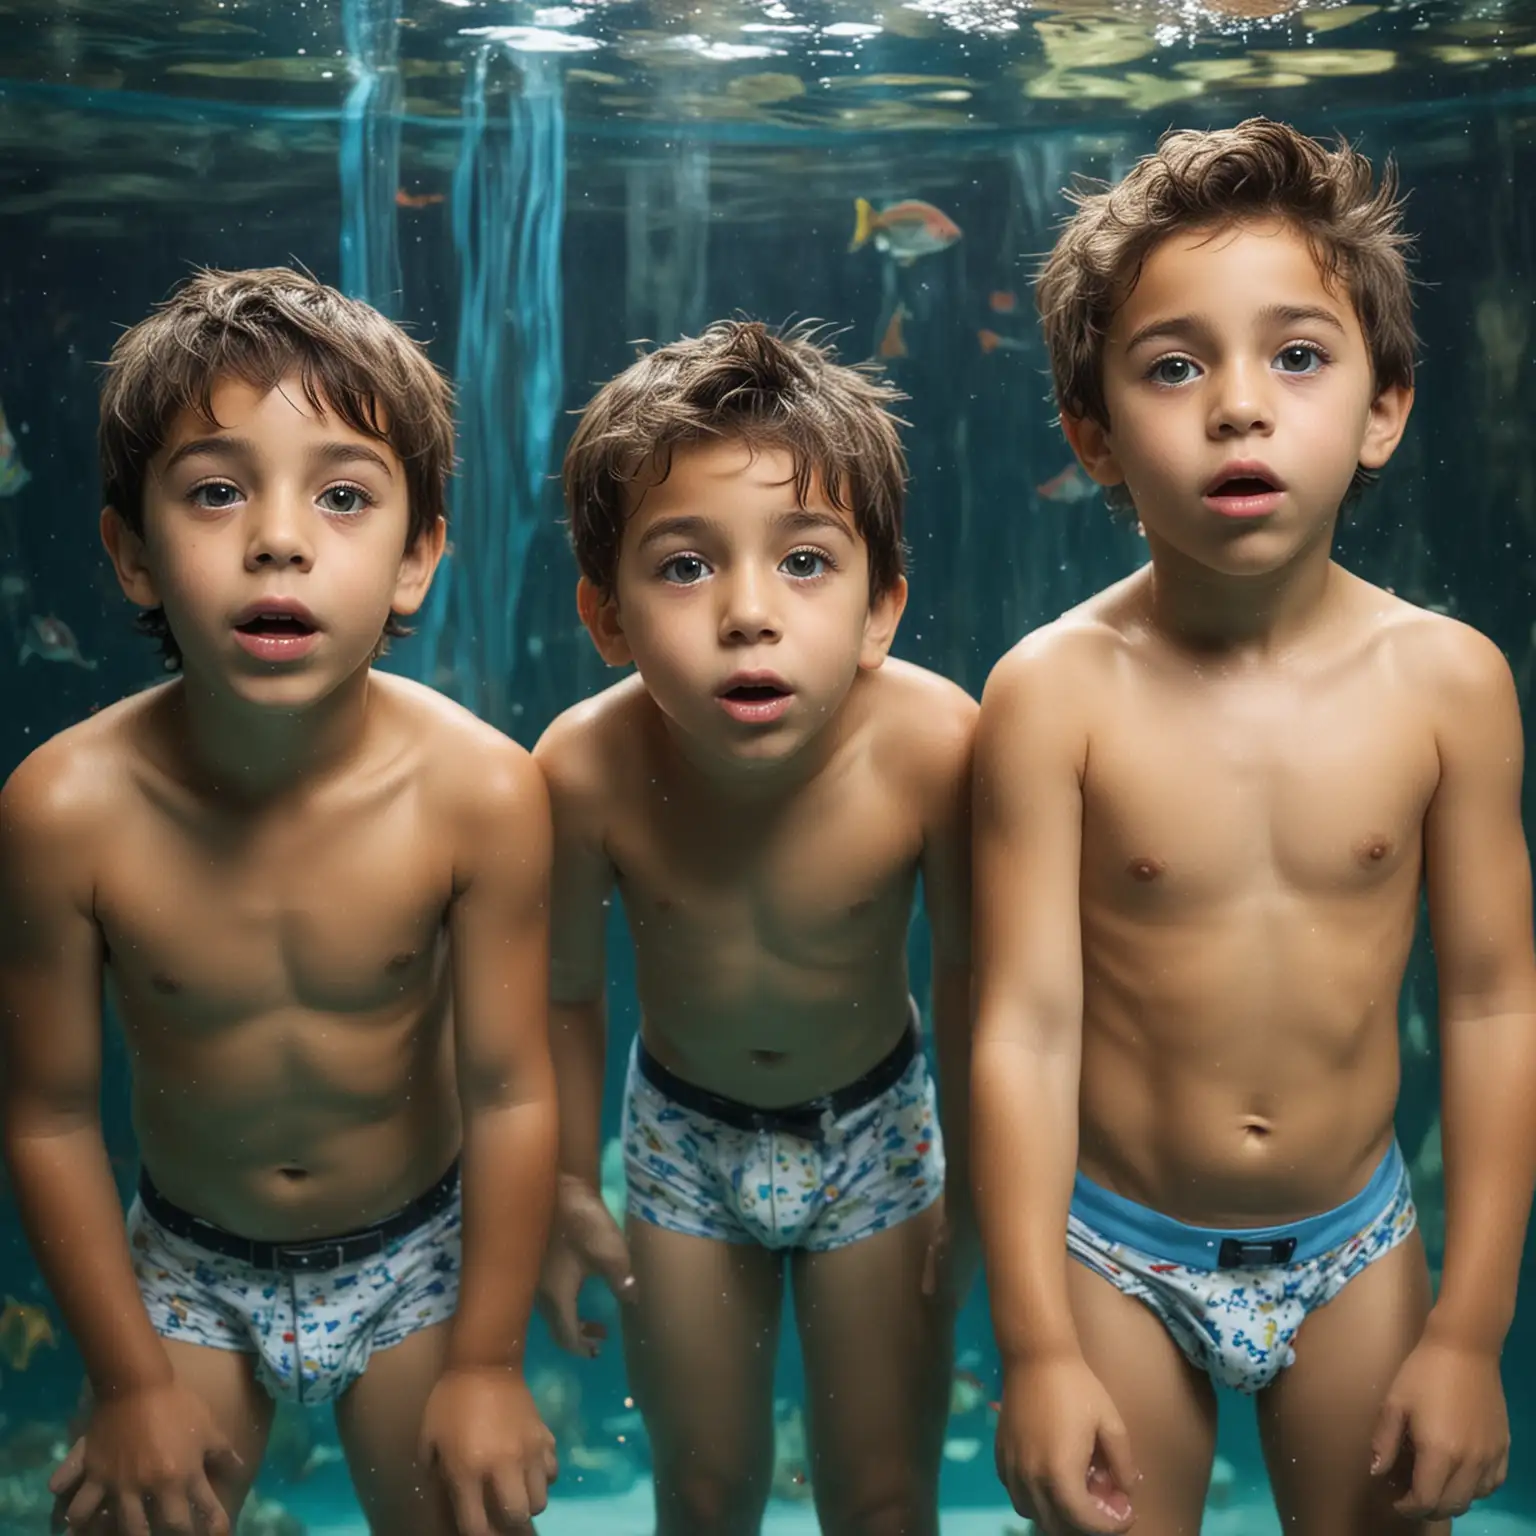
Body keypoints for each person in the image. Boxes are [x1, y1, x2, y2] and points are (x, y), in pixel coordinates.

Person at [972, 119, 1536, 1534]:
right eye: (1175, 365)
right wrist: (1035, 1344)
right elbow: (1025, 1029)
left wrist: (1471, 1332)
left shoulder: (1451, 687)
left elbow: (1488, 1006)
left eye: (1298, 355)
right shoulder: (1051, 696)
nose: (1239, 406)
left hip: (1356, 1243)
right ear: (1092, 433)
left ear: (1386, 405)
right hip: (1114, 1251)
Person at [0, 268, 558, 1536]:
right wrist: (125, 1374)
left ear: (418, 558)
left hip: (418, 1258)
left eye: (346, 496)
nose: (279, 537)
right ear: (132, 553)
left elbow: (516, 1093)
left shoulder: (481, 791)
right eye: (214, 491)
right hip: (187, 1271)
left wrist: (483, 1361)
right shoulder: (65, 810)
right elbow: (44, 1118)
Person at [533, 319, 976, 1536]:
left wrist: (985, 1173)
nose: (746, 613)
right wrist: (574, 1180)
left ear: (882, 608)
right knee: (705, 1492)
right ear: (606, 617)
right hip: (680, 1144)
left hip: (878, 1135)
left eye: (805, 562)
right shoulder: (584, 768)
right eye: (683, 566)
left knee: (884, 1500)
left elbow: (984, 981)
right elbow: (564, 989)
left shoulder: (936, 744)